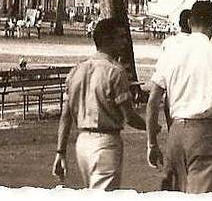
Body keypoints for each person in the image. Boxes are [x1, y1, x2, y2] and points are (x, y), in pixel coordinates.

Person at [145, 0, 212, 194]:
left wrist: (152, 143)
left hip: (175, 132)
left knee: (174, 199)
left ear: (190, 21)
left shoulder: (171, 52)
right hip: (204, 132)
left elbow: (153, 102)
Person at [52, 18, 147, 190]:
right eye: (120, 37)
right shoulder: (115, 72)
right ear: (107, 40)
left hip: (82, 144)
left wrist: (61, 151)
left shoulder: (77, 70)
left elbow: (65, 116)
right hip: (106, 142)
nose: (125, 42)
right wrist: (151, 127)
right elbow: (129, 117)